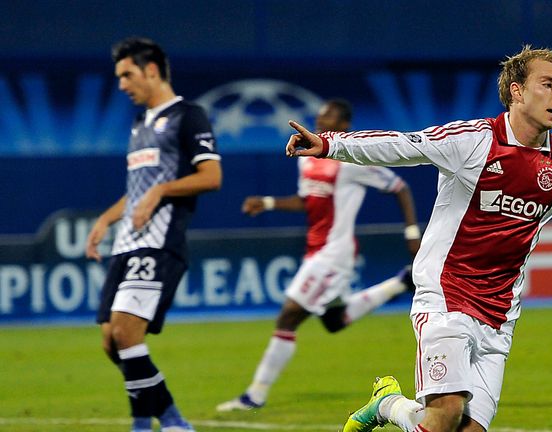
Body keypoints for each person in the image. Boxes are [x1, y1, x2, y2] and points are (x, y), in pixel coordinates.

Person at [284, 46, 552, 432]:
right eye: (547, 83)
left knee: (466, 429)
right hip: (447, 295)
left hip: (500, 313)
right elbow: (402, 144)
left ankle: (389, 405)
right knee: (446, 414)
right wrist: (327, 144)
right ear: (516, 90)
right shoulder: (474, 141)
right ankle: (392, 405)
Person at [216, 99, 421, 412]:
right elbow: (306, 201)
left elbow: (400, 187)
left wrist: (411, 232)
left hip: (334, 253)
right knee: (333, 320)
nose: (321, 119)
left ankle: (254, 395)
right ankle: (400, 283)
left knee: (288, 316)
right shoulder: (306, 158)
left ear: (344, 126)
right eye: (320, 114)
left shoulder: (353, 160)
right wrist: (268, 203)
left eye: (329, 116)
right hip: (316, 251)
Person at [86, 37, 222, 432]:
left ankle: (166, 421)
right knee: (112, 341)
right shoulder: (138, 124)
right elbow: (137, 191)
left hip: (160, 241)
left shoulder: (188, 115)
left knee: (127, 332)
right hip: (127, 242)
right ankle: (151, 420)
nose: (122, 85)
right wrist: (105, 220)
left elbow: (211, 176)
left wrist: (161, 191)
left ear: (151, 70)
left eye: (126, 75)